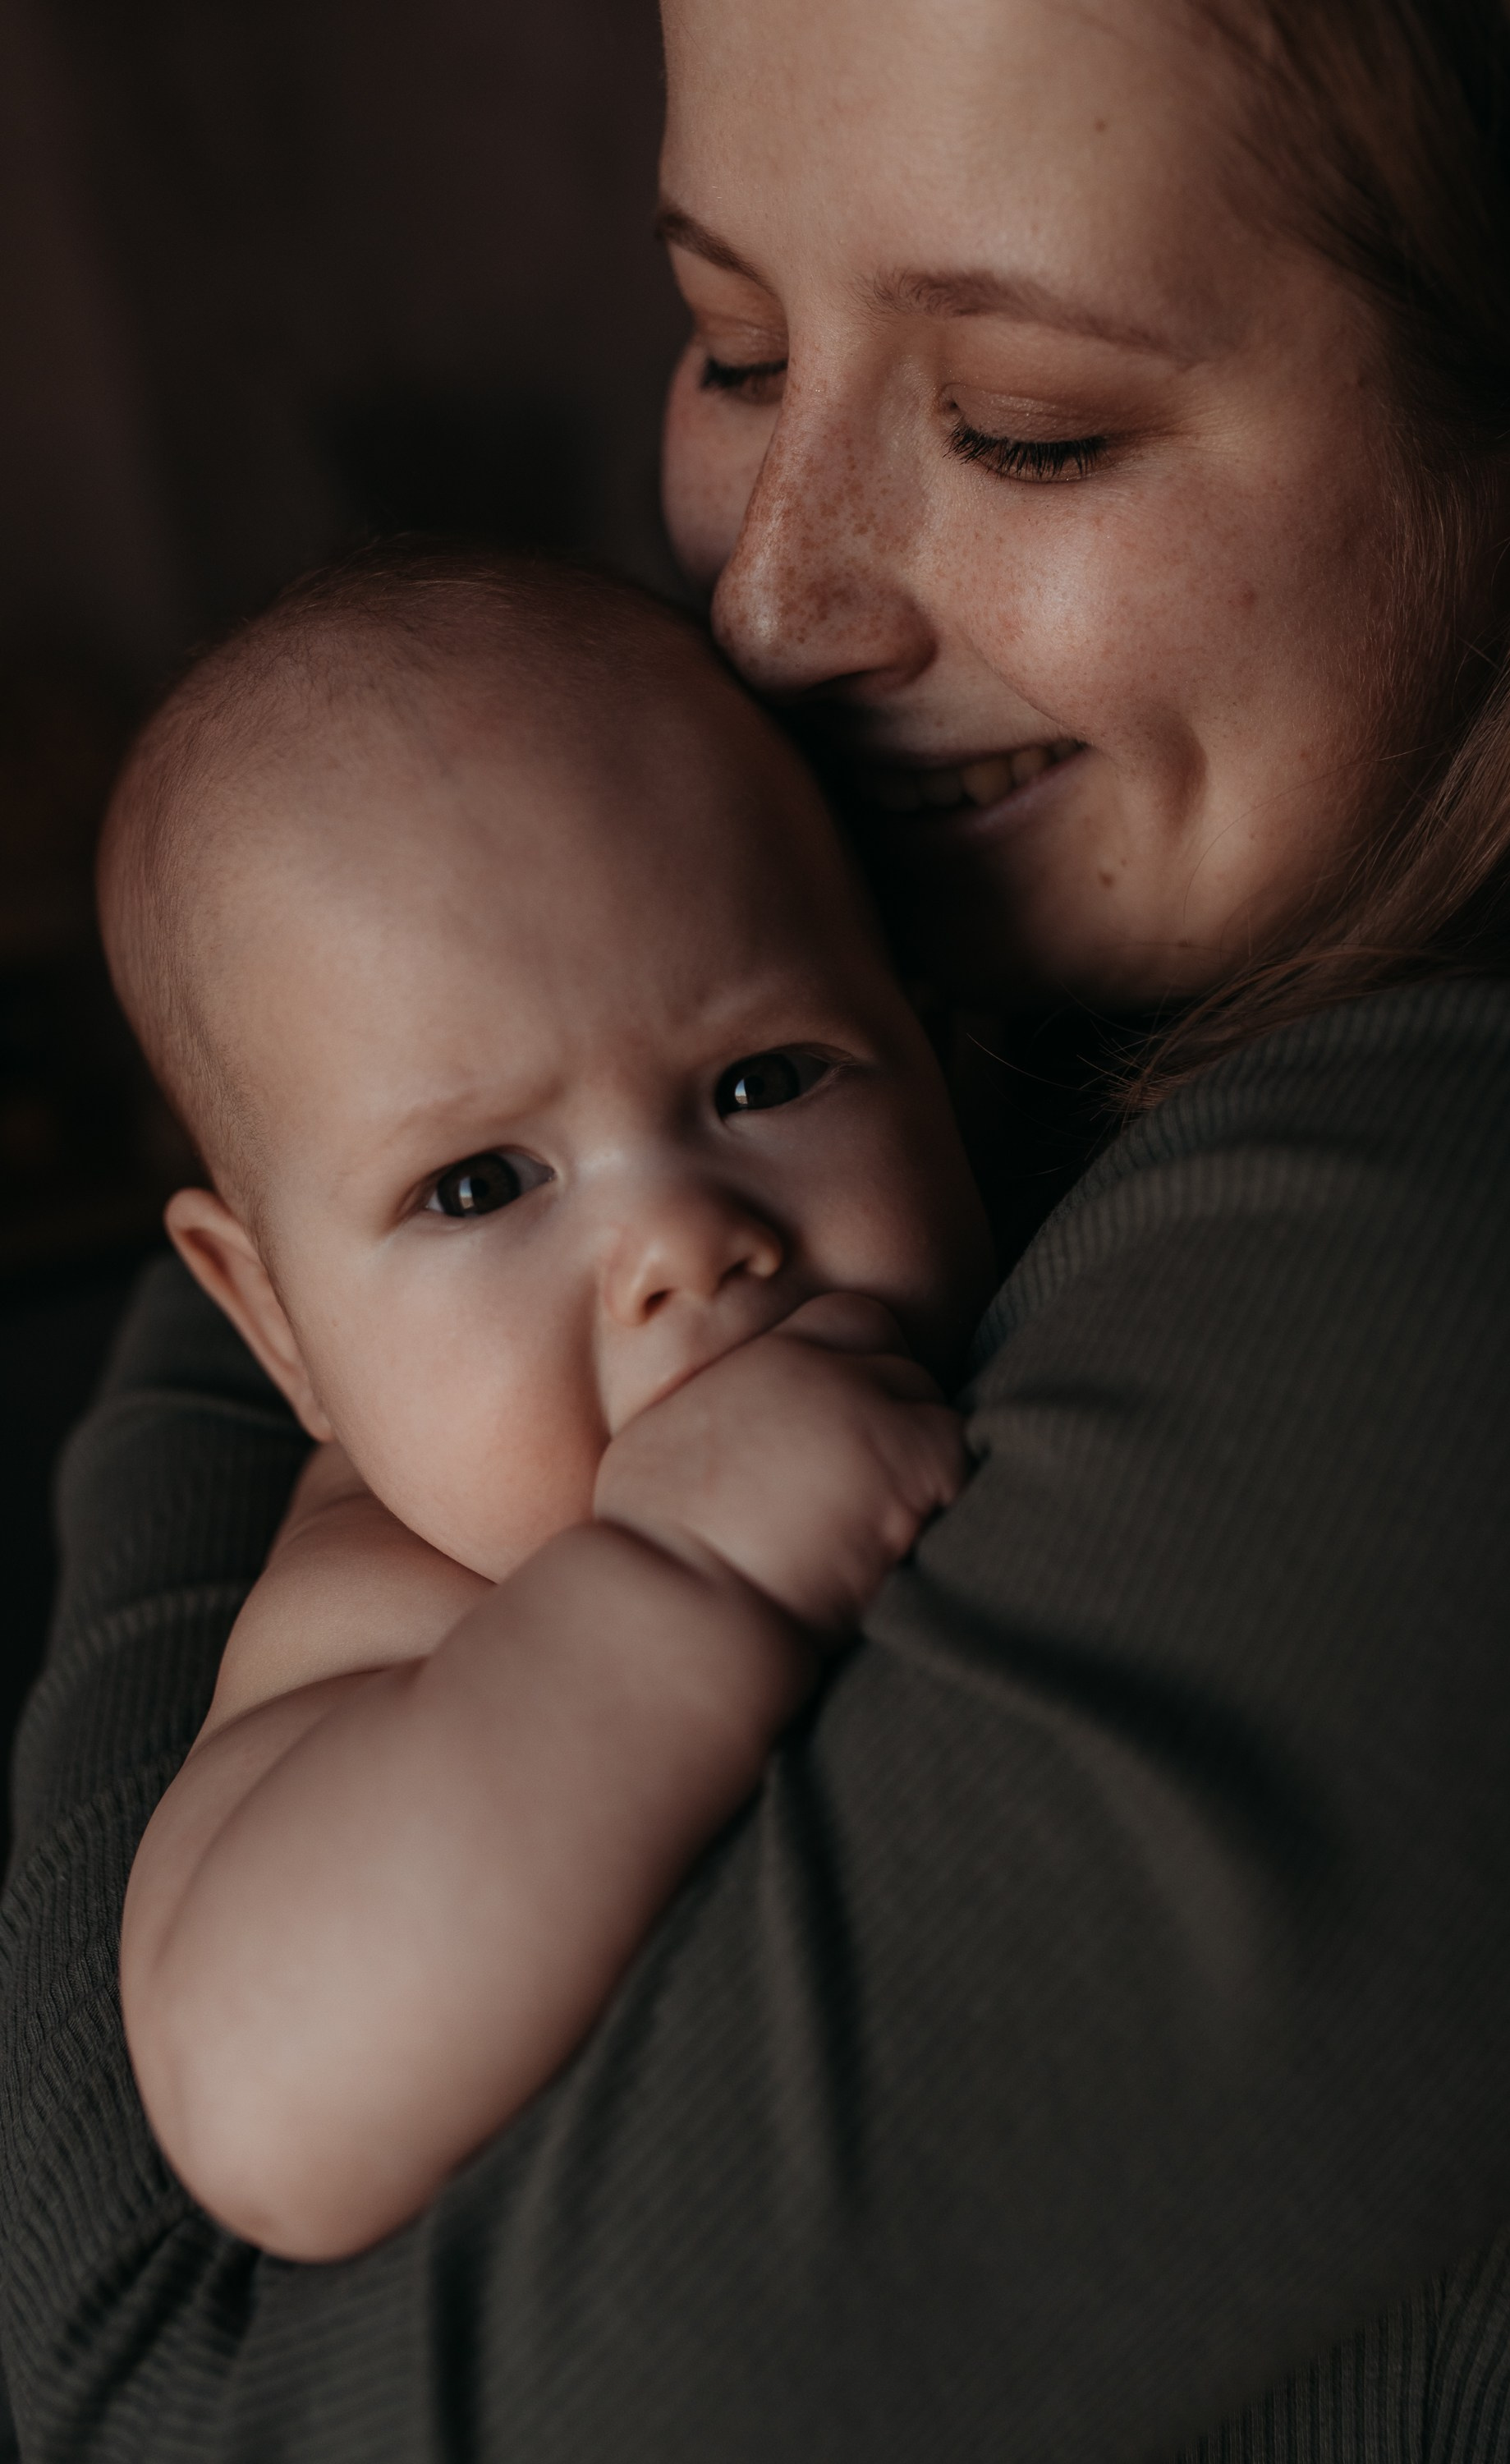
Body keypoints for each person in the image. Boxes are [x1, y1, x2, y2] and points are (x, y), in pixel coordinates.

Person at [5, 0, 1510, 2457]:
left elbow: (174, 2394)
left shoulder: (1467, 1267)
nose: (769, 611)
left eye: (1025, 426)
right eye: (734, 347)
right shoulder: (995, 999)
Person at [103, 552, 989, 2261]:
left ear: (934, 1043)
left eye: (764, 1079)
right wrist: (692, 1575)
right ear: (271, 1318)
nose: (679, 1242)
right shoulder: (375, 1616)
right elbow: (269, 2100)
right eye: (479, 1185)